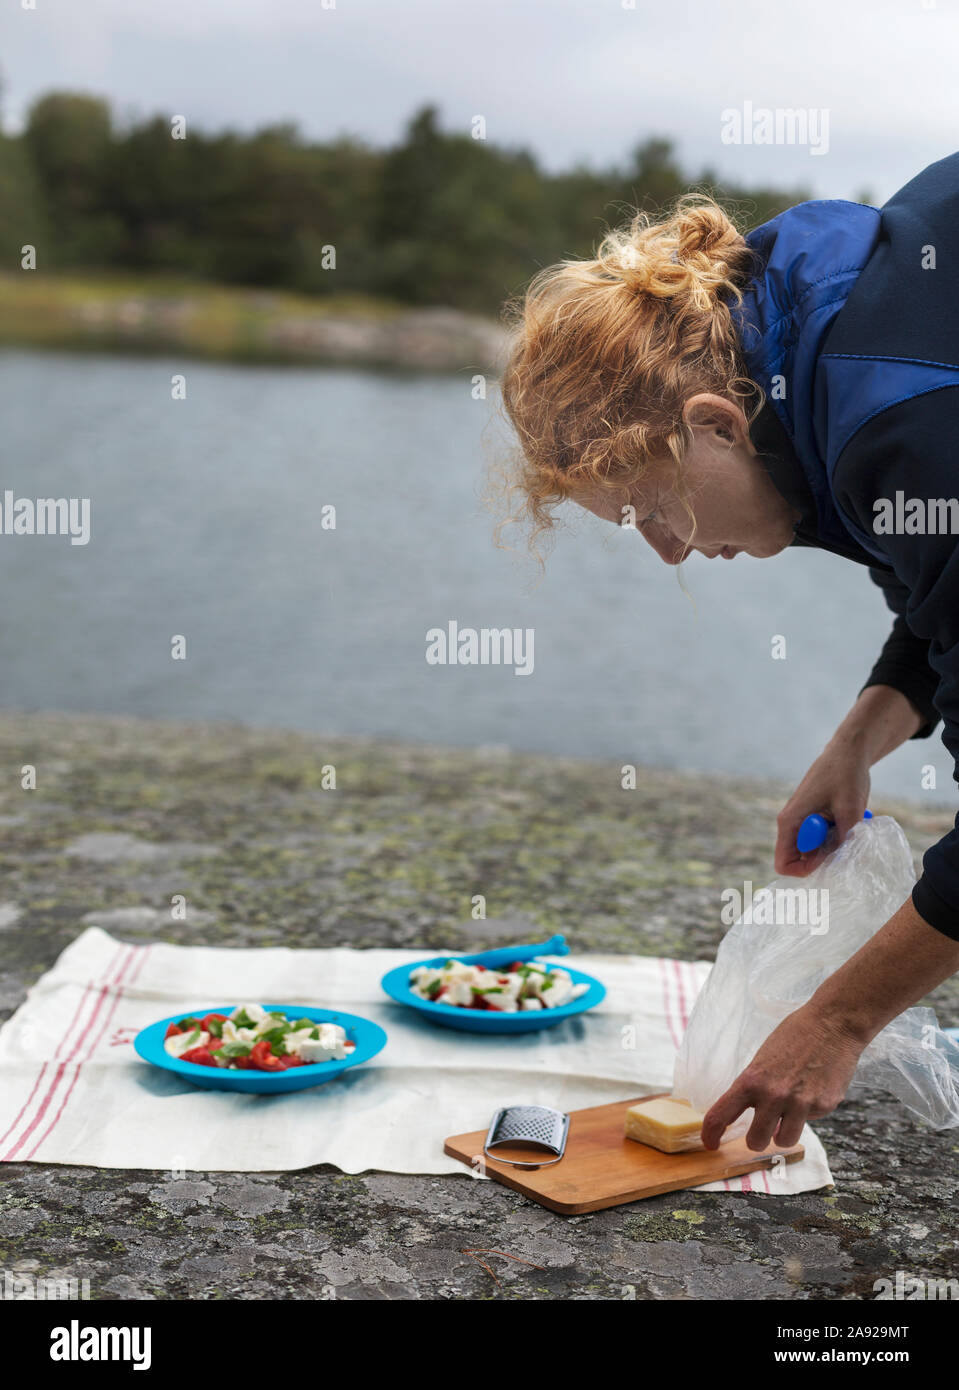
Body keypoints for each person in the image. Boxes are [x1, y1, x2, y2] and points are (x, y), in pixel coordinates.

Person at [499, 152, 959, 1152]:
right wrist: (854, 744)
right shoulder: (806, 355)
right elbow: (939, 601)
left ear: (710, 425)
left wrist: (836, 1019)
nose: (672, 551)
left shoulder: (899, 422)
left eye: (651, 510)